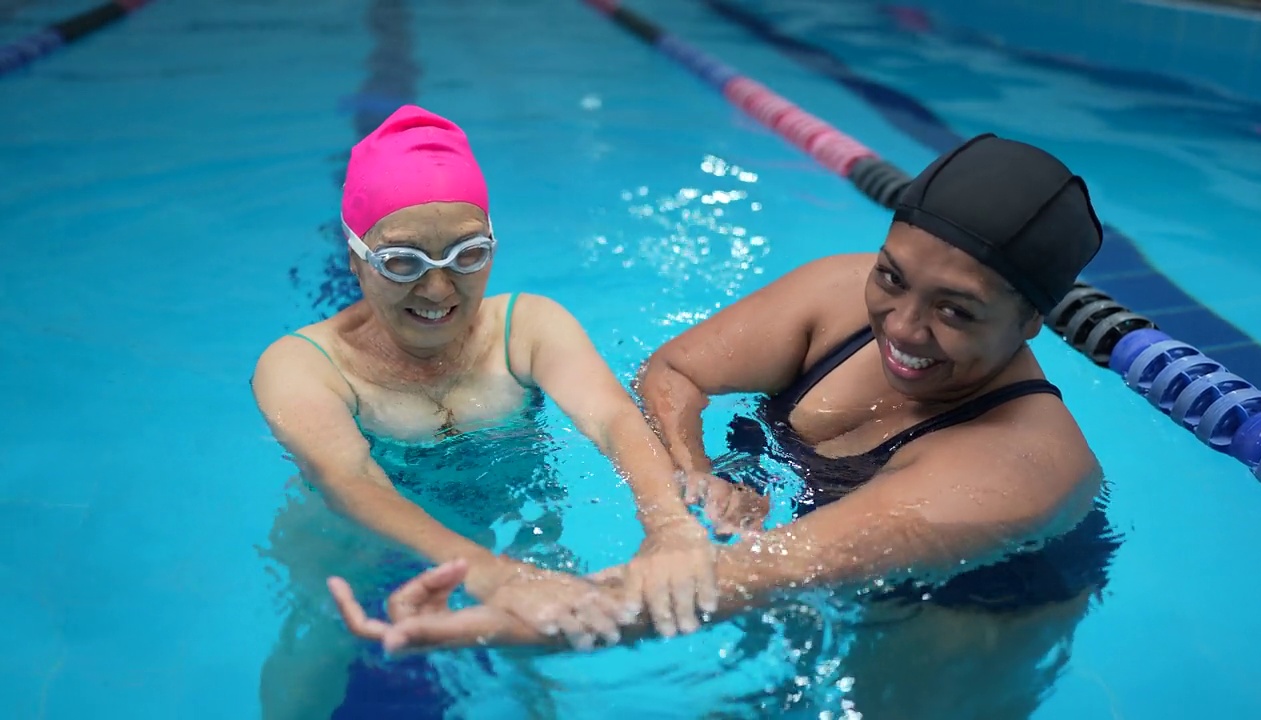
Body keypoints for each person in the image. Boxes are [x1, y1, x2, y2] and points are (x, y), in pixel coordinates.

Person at [327, 133, 1124, 716]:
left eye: (956, 311)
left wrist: (511, 617)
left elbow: (760, 573)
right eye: (893, 276)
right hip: (813, 567)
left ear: (1031, 324)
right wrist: (692, 468)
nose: (901, 329)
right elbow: (674, 371)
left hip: (953, 630)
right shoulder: (842, 297)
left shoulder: (1013, 467)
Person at [251, 105, 723, 718]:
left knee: (546, 660)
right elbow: (351, 480)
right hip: (355, 544)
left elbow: (612, 419)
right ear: (354, 260)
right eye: (402, 264)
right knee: (313, 653)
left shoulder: (526, 326)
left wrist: (671, 528)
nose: (439, 292)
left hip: (509, 520)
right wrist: (489, 574)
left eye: (467, 256)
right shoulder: (302, 365)